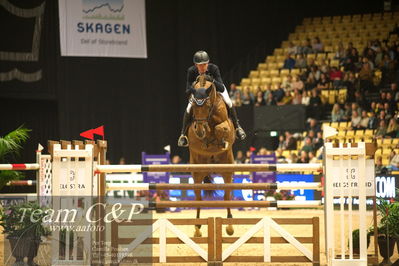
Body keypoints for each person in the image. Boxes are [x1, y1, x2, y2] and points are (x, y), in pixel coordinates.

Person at [178, 51, 246, 146]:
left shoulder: (214, 68)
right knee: (189, 108)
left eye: (205, 64)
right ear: (195, 65)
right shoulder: (191, 71)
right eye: (200, 65)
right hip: (198, 94)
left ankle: (238, 127)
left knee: (229, 102)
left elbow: (221, 88)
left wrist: (212, 80)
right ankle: (183, 135)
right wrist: (195, 90)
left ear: (208, 63)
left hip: (216, 91)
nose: (203, 67)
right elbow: (187, 89)